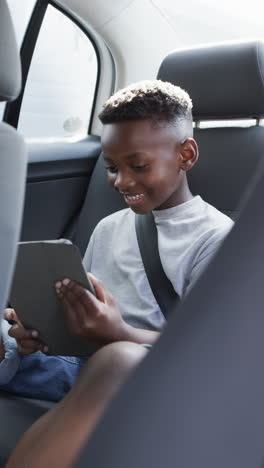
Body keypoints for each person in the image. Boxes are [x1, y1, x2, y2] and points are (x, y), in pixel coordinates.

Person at [2, 80, 233, 467]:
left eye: (138, 166)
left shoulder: (216, 238)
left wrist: (119, 334)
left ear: (186, 155)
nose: (122, 181)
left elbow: (211, 355)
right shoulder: (110, 227)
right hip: (79, 362)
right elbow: (84, 304)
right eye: (111, 168)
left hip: (146, 376)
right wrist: (38, 330)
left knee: (120, 359)